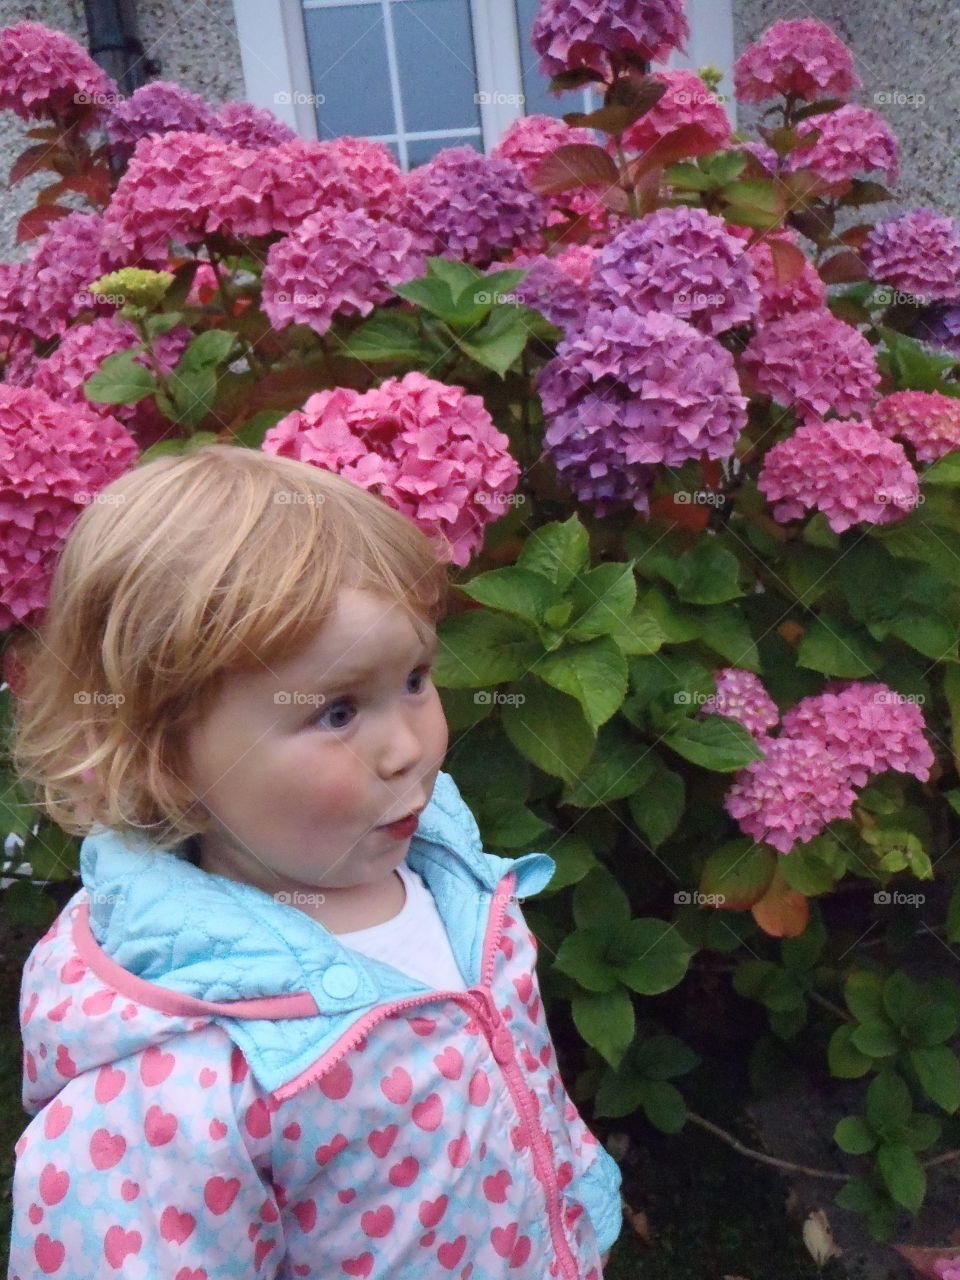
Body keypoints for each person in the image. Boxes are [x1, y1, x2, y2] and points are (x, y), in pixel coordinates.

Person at [7, 444, 622, 1280]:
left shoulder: (448, 871)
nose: (409, 747)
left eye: (414, 678)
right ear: (165, 756)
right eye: (336, 711)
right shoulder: (173, 1090)